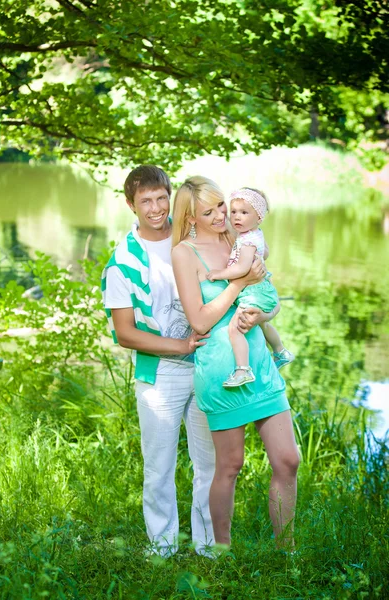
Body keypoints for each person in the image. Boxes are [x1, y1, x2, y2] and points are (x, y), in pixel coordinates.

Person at [101, 165, 267, 557]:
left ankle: (209, 546)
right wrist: (181, 346)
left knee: (208, 461)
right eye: (146, 202)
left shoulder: (200, 231)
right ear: (131, 205)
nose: (157, 208)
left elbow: (249, 261)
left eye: (162, 198)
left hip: (210, 365)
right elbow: (124, 332)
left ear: (171, 196)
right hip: (160, 373)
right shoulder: (122, 261)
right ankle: (161, 547)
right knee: (158, 465)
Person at [171, 176, 300, 549]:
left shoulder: (240, 238)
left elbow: (271, 301)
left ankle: (285, 551)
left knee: (288, 460)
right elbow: (199, 320)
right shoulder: (184, 253)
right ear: (191, 217)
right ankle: (222, 550)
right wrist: (237, 285)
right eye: (207, 212)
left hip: (259, 362)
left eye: (221, 207)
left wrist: (260, 316)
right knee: (229, 466)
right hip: (221, 371)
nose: (219, 216)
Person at [205, 187, 295, 387]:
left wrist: (219, 273)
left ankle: (243, 370)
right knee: (263, 325)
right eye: (234, 212)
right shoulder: (254, 233)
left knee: (235, 329)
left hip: (253, 293)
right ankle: (280, 351)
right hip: (262, 290)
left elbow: (242, 267)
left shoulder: (247, 240)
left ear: (259, 217)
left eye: (244, 213)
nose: (237, 217)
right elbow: (266, 253)